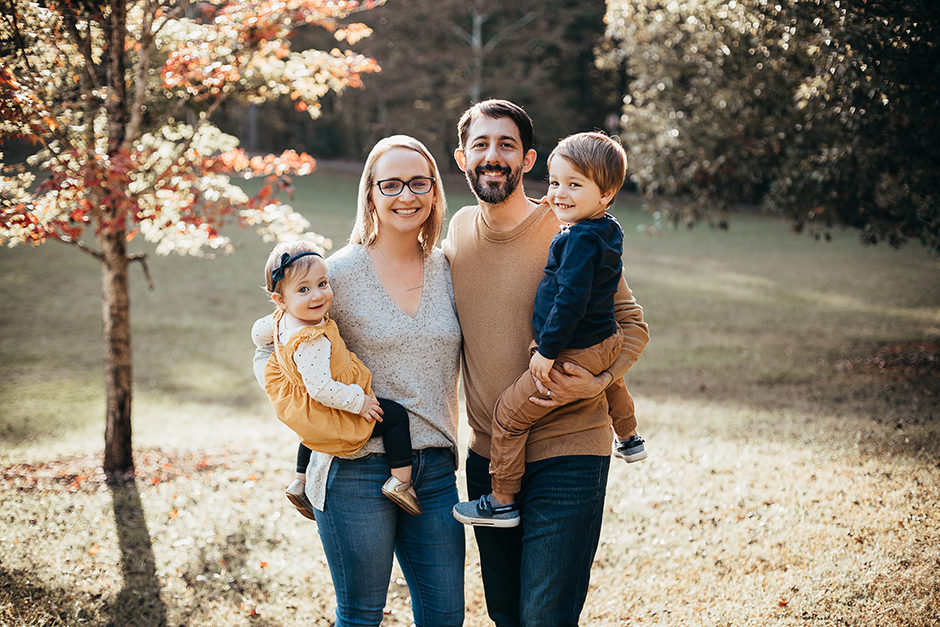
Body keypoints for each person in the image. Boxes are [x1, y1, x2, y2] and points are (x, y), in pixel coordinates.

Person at [442, 100, 650, 626]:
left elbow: (632, 325)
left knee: (545, 617)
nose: (493, 156)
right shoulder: (458, 234)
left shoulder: (567, 230)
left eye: (506, 144)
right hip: (488, 457)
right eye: (481, 144)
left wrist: (599, 381)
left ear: (528, 159)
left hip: (569, 452)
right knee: (505, 614)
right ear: (462, 157)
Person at [252, 135, 465, 626]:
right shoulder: (335, 273)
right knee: (362, 615)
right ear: (370, 192)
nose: (405, 195)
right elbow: (272, 337)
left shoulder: (449, 268)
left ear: (434, 191)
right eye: (390, 184)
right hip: (353, 469)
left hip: (433, 470)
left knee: (445, 617)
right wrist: (296, 404)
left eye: (418, 183)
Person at [252, 240, 422, 518]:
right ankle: (401, 482)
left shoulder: (280, 319)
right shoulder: (312, 341)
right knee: (394, 416)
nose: (317, 296)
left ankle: (301, 481)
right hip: (328, 405)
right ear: (280, 300)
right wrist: (360, 403)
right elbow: (321, 389)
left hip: (307, 410)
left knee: (311, 431)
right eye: (303, 290)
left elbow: (258, 333)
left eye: (322, 284)